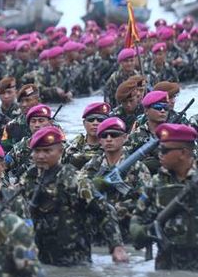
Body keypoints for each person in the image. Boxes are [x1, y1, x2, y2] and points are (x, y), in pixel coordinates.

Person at [129, 123, 198, 272]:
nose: (159, 155)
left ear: (183, 152)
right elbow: (138, 215)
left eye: (165, 150)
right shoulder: (155, 184)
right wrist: (137, 229)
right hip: (164, 269)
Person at [17, 126, 128, 266]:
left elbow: (105, 211)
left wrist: (116, 246)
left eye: (47, 151)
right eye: (37, 151)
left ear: (60, 152)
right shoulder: (28, 179)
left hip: (74, 259)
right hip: (41, 258)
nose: (41, 156)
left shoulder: (75, 180)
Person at [83, 117, 151, 242]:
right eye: (104, 135)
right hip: (98, 233)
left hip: (126, 232)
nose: (109, 139)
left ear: (125, 138)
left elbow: (146, 202)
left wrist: (119, 207)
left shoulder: (137, 168)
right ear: (100, 140)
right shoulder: (91, 167)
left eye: (114, 135)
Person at [64, 102, 110, 170]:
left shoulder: (111, 147)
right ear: (84, 123)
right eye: (91, 120)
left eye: (100, 120)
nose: (95, 123)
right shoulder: (71, 147)